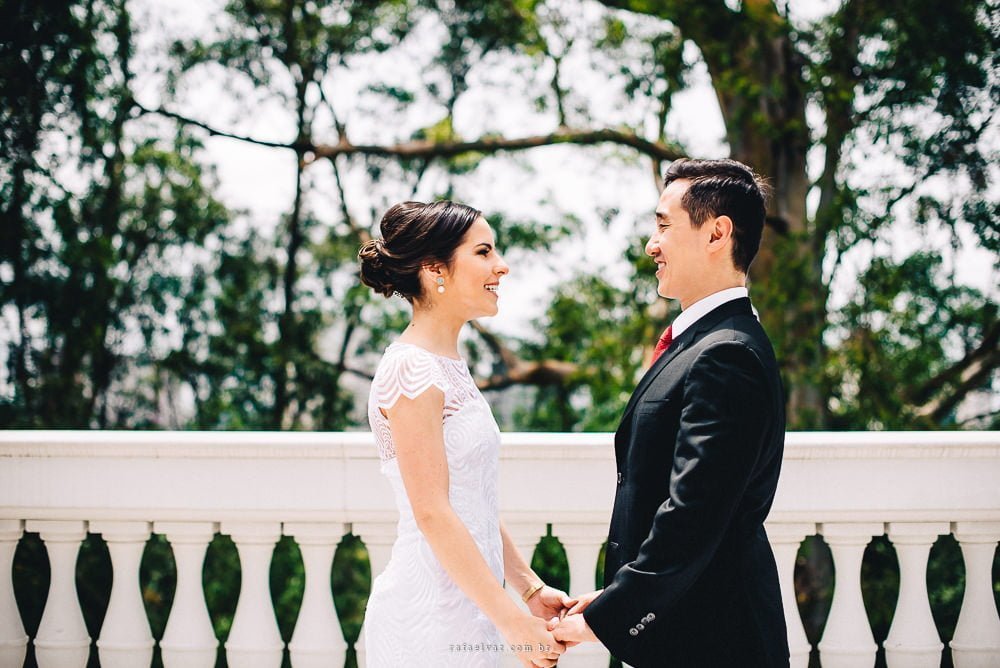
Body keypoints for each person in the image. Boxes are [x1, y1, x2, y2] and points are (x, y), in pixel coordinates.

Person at [551, 159, 790, 667]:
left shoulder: (727, 354)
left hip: (716, 642)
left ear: (716, 234)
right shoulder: (704, 343)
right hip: (684, 629)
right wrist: (615, 598)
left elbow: (693, 514)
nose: (650, 245)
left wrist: (609, 616)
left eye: (663, 225)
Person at [358, 200, 570, 668]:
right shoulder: (411, 368)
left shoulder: (448, 365)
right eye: (484, 252)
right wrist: (513, 624)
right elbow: (433, 512)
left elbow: (471, 501)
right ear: (435, 269)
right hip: (429, 615)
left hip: (469, 608)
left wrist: (529, 589)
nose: (502, 266)